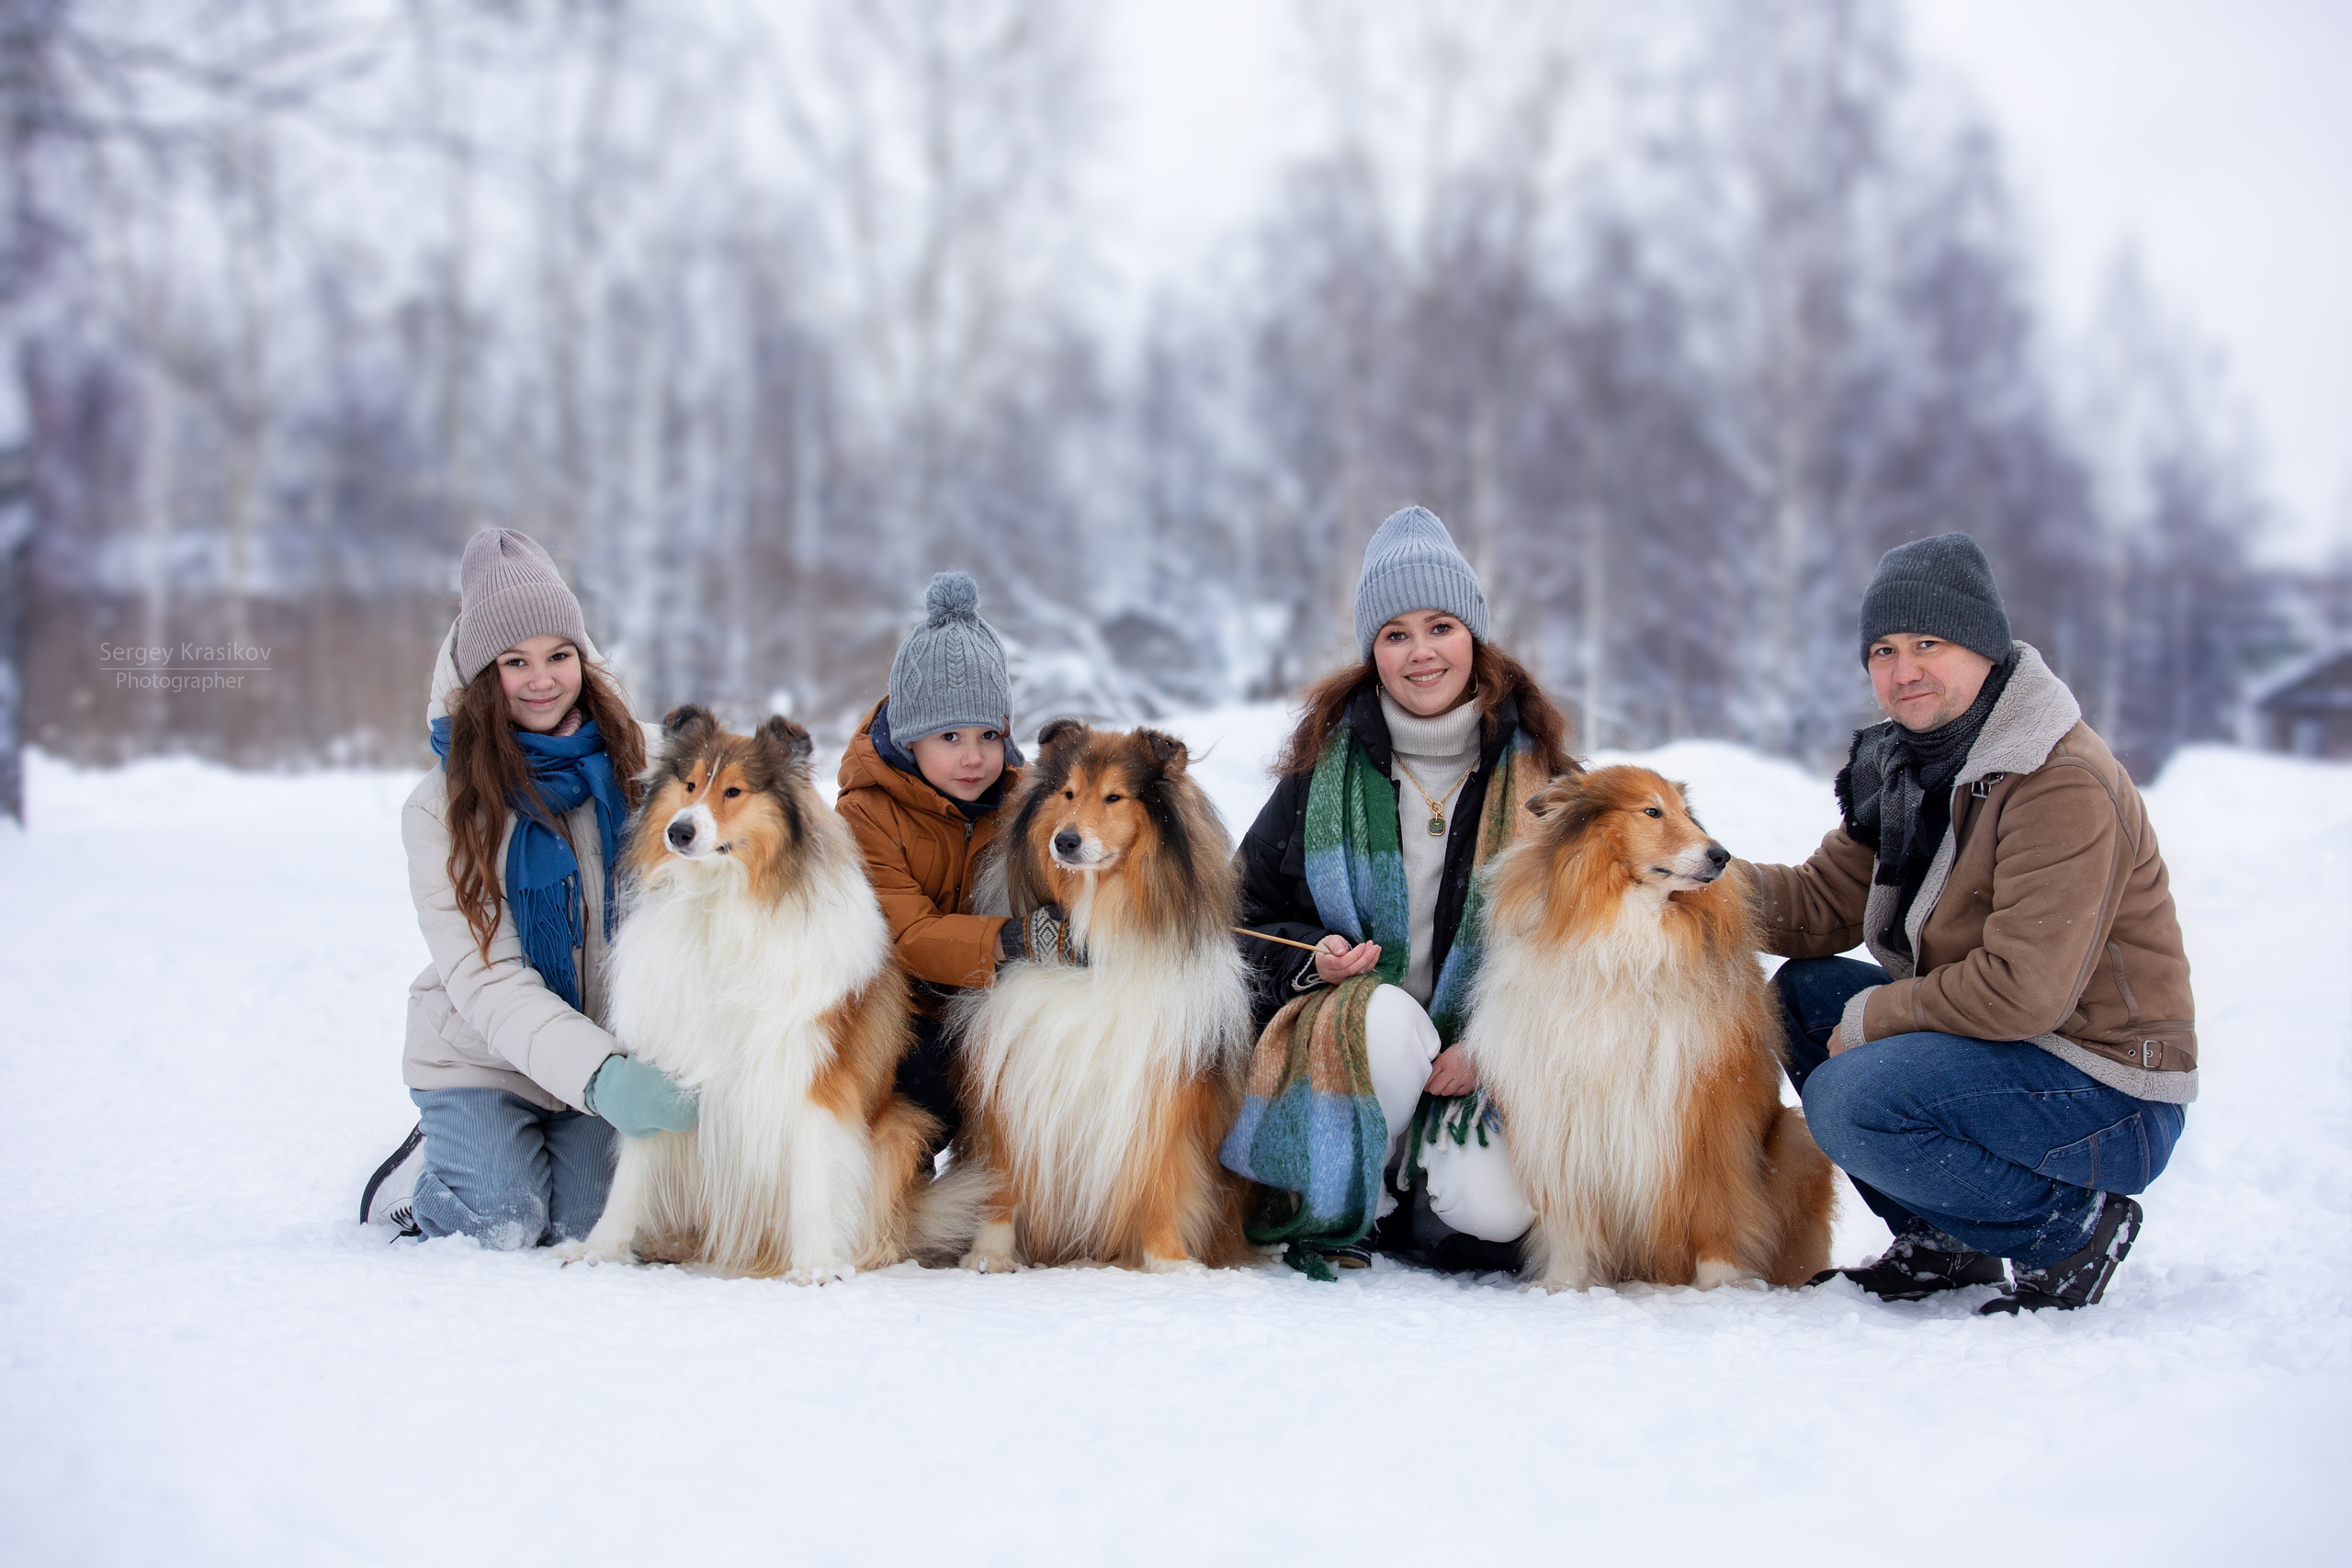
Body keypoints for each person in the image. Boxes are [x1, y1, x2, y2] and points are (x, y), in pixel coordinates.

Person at [1749, 532, 2195, 1314]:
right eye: (1883, 650)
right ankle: (1945, 1242)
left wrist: (1877, 1015)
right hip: (2010, 1057)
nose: (1904, 670)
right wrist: (1681, 878)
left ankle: (2073, 1227)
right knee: (1804, 994)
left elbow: (2024, 991)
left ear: (1985, 647)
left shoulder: (2058, 778)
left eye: (1929, 643)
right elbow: (1820, 905)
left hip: (2106, 1089)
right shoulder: (1905, 767)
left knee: (1853, 1099)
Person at [1222, 505, 1577, 1275]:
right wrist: (1312, 960)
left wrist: (1492, 1045)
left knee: (1496, 1216)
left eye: (1440, 626)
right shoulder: (1320, 774)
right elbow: (1233, 926)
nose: (1422, 652)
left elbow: (1584, 948)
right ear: (1372, 652)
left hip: (1481, 1058)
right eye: (1396, 634)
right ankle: (1361, 1196)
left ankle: (1419, 1181)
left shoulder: (1546, 780)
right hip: (1356, 1047)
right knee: (1381, 1016)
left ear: (1474, 635)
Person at [360, 528, 696, 1247]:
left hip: (608, 1046)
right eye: (516, 661)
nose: (542, 679)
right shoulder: (440, 808)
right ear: (484, 676)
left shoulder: (651, 764)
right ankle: (438, 1168)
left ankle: (548, 1149)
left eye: (559, 655)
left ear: (585, 658)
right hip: (482, 1053)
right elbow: (488, 977)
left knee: (589, 1224)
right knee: (503, 1220)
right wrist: (605, 1078)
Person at [834, 571, 1039, 1157]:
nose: (975, 758)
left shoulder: (1025, 801)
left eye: (988, 735)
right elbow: (907, 934)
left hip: (991, 1000)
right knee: (923, 1077)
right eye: (949, 736)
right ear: (911, 736)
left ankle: (1015, 1185)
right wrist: (1016, 940)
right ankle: (902, 1172)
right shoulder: (866, 813)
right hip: (904, 1008)